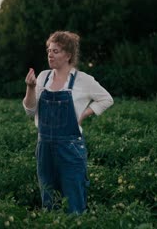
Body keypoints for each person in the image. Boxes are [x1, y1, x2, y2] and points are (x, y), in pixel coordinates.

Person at [23, 31, 113, 214]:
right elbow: (30, 110)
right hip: (44, 147)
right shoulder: (43, 77)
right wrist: (30, 88)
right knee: (49, 201)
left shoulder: (83, 80)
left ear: (68, 55)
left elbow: (106, 99)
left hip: (70, 148)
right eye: (49, 50)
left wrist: (83, 114)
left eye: (56, 51)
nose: (50, 54)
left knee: (74, 202)